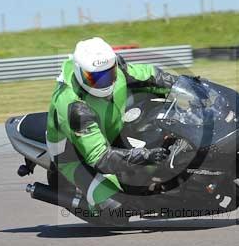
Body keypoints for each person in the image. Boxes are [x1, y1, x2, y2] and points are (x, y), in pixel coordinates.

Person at [46, 37, 178, 224]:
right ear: (79, 73)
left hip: (111, 128)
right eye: (95, 78)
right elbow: (100, 157)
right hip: (73, 154)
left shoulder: (117, 70)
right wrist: (146, 156)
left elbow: (149, 75)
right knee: (119, 212)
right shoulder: (74, 106)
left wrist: (184, 84)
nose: (104, 82)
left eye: (109, 74)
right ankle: (94, 201)